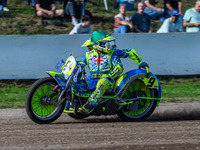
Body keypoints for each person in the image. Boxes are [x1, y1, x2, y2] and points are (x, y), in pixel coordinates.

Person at [77, 30, 148, 114]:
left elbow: (119, 67)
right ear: (98, 44)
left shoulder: (112, 53)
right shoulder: (88, 54)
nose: (109, 46)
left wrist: (140, 63)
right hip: (92, 80)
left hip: (109, 82)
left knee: (102, 82)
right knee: (78, 83)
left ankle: (89, 105)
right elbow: (80, 65)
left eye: (109, 43)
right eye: (106, 43)